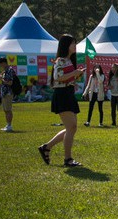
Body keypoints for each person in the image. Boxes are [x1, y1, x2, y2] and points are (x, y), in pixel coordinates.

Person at [37, 34, 85, 167]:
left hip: (68, 93)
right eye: (72, 43)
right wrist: (74, 73)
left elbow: (66, 78)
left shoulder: (69, 61)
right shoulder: (60, 60)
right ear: (66, 46)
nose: (75, 46)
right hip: (62, 95)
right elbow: (58, 77)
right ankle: (68, 159)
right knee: (72, 127)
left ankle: (46, 147)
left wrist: (75, 76)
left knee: (71, 128)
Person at [0, 57, 15, 132]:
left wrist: (1, 79)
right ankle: (8, 125)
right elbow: (6, 80)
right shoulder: (5, 71)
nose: (0, 66)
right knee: (5, 110)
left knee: (8, 110)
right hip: (4, 93)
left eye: (0, 64)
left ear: (3, 63)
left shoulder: (9, 70)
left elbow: (10, 82)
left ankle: (9, 126)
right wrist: (0, 76)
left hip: (8, 93)